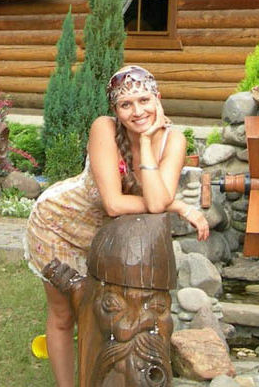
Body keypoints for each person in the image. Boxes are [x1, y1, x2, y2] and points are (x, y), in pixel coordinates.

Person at [24, 65, 209, 387]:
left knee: (101, 314)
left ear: (158, 98)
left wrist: (147, 142)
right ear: (115, 109)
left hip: (107, 236)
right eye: (126, 105)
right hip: (58, 224)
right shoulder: (104, 129)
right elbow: (114, 203)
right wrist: (177, 204)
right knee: (66, 315)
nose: (137, 111)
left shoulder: (173, 141)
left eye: (144, 100)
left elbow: (156, 202)